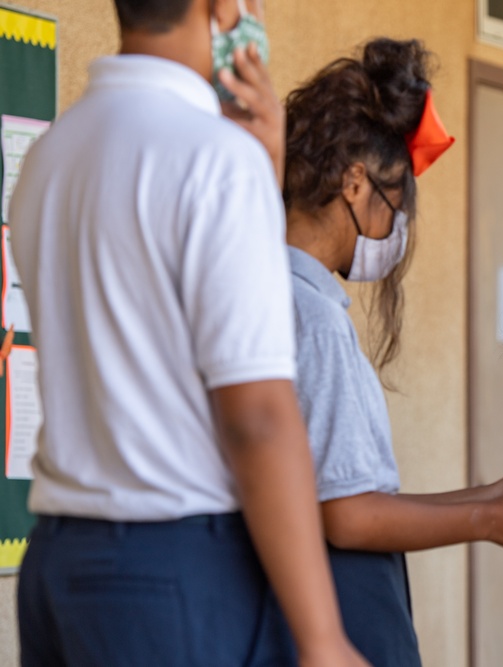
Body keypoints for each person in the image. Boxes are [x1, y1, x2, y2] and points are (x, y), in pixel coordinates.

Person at [11, 1, 365, 665]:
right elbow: (255, 417)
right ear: (223, 8)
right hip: (171, 566)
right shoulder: (216, 159)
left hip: (58, 560)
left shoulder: (49, 155)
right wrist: (323, 638)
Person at [281, 38, 503, 667]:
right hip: (345, 605)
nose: (396, 231)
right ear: (354, 184)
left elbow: (353, 494)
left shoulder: (295, 297)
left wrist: (490, 496)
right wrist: (487, 523)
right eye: (395, 203)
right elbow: (349, 518)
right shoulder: (307, 315)